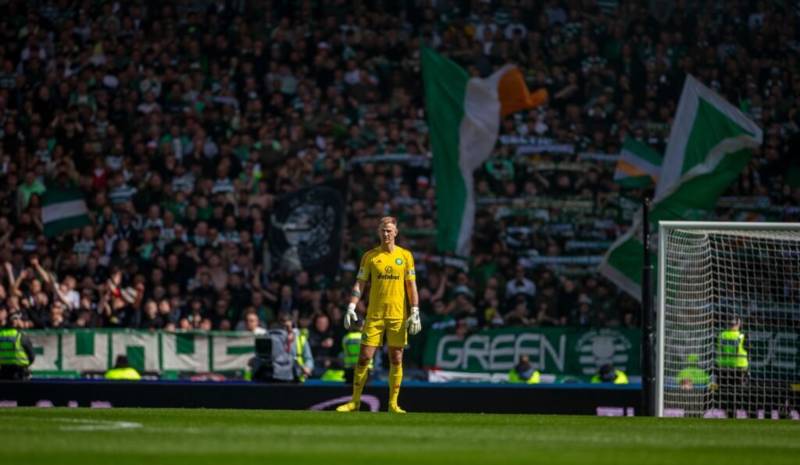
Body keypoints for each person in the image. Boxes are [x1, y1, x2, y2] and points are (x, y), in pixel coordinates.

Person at [337, 216, 421, 413]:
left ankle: (393, 403)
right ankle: (355, 402)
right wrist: (351, 306)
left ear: (396, 233)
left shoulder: (406, 256)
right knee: (364, 357)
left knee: (396, 358)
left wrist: (415, 310)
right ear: (378, 232)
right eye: (383, 230)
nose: (386, 234)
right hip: (374, 315)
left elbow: (411, 286)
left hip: (398, 316)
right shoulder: (370, 256)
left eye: (389, 230)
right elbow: (360, 283)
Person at [715, 316, 749, 417]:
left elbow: (719, 349)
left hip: (724, 367)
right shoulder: (742, 336)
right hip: (738, 367)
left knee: (725, 393)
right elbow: (747, 349)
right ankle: (735, 414)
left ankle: (728, 413)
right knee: (736, 392)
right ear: (739, 325)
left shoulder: (721, 335)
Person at [0, 314, 35, 380]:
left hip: (4, 373)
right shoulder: (21, 336)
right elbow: (32, 357)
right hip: (20, 374)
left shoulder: (1, 334)